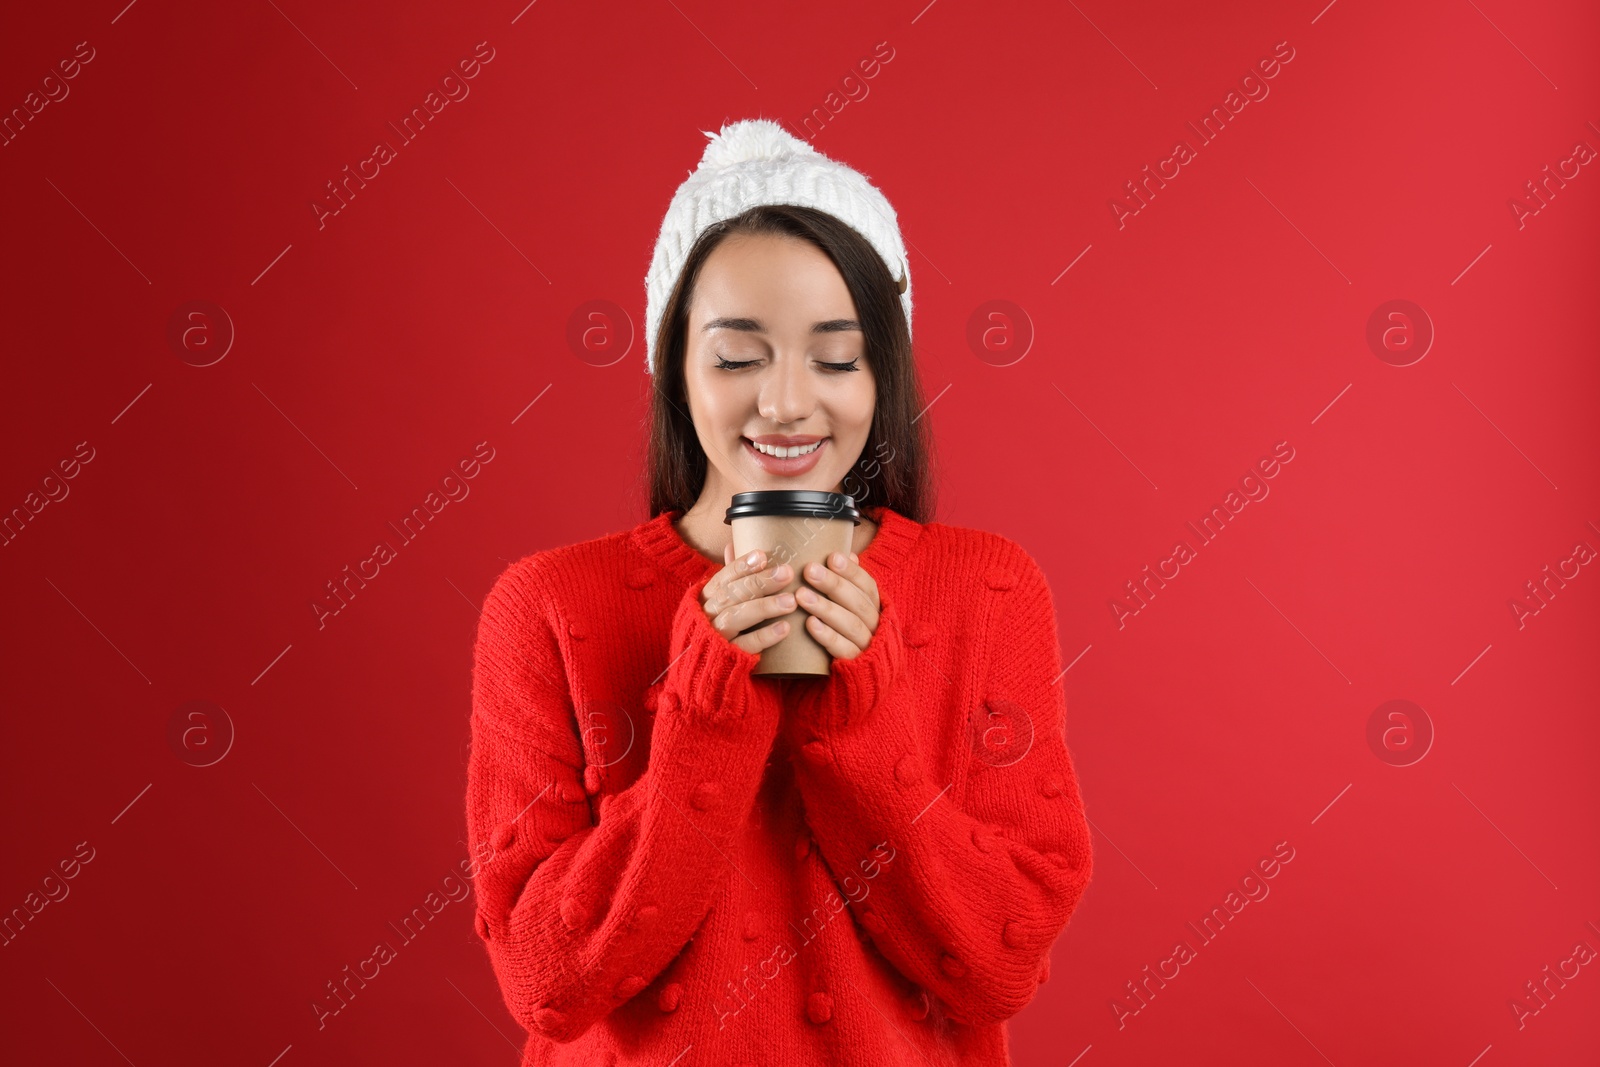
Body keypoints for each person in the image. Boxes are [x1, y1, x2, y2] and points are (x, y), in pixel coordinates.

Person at [465, 118, 1092, 1066]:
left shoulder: (990, 588)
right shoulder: (548, 603)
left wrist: (865, 716)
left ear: (886, 371)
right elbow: (548, 984)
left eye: (836, 358)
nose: (788, 401)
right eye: (737, 355)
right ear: (674, 365)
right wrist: (704, 715)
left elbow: (996, 967)